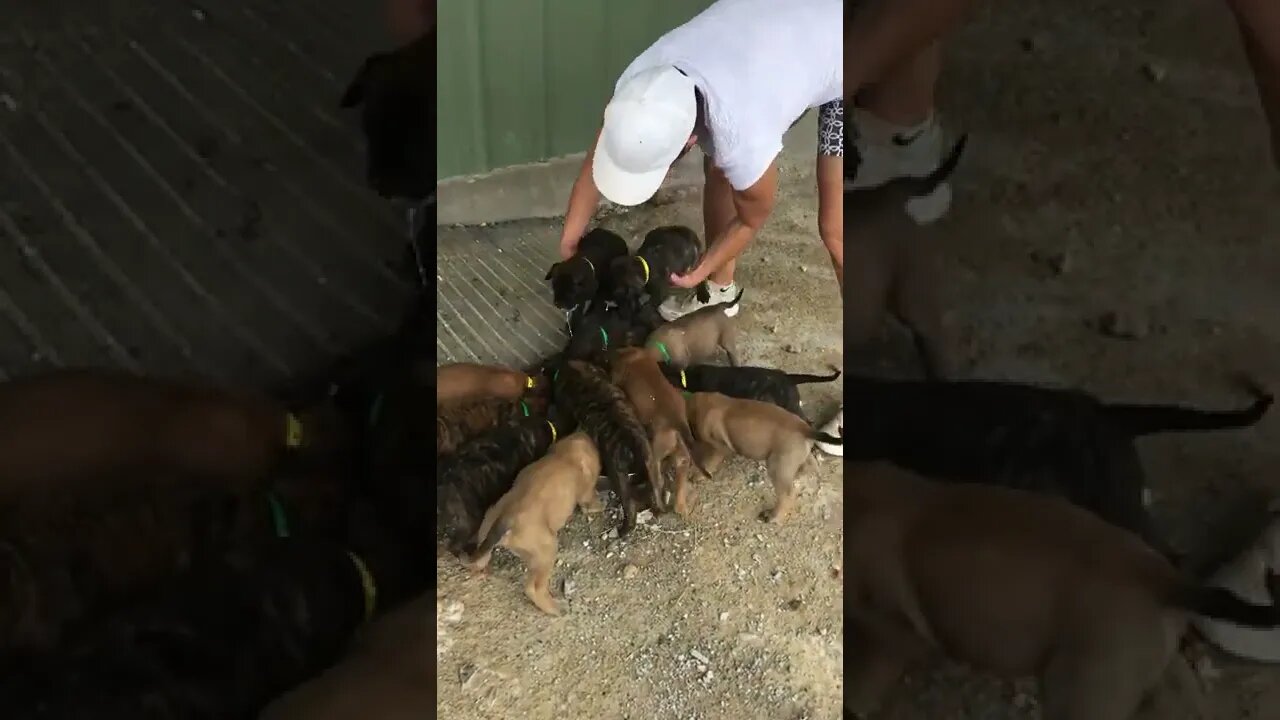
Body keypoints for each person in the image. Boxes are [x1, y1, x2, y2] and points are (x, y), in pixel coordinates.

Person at [557, 0, 845, 451]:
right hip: (777, 36)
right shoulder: (640, 90)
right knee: (720, 170)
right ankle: (721, 292)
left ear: (689, 138)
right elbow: (598, 158)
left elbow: (753, 217)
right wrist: (570, 236)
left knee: (838, 229)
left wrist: (701, 265)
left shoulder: (743, 134)